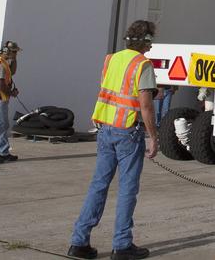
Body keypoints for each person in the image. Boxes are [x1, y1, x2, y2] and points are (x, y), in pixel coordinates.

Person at [67, 20, 160, 260]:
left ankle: (79, 241)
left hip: (106, 129)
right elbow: (146, 106)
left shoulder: (112, 59)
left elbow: (112, 90)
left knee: (99, 185)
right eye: (151, 41)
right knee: (128, 188)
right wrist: (153, 138)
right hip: (128, 132)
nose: (152, 46)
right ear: (146, 41)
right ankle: (122, 245)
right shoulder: (143, 64)